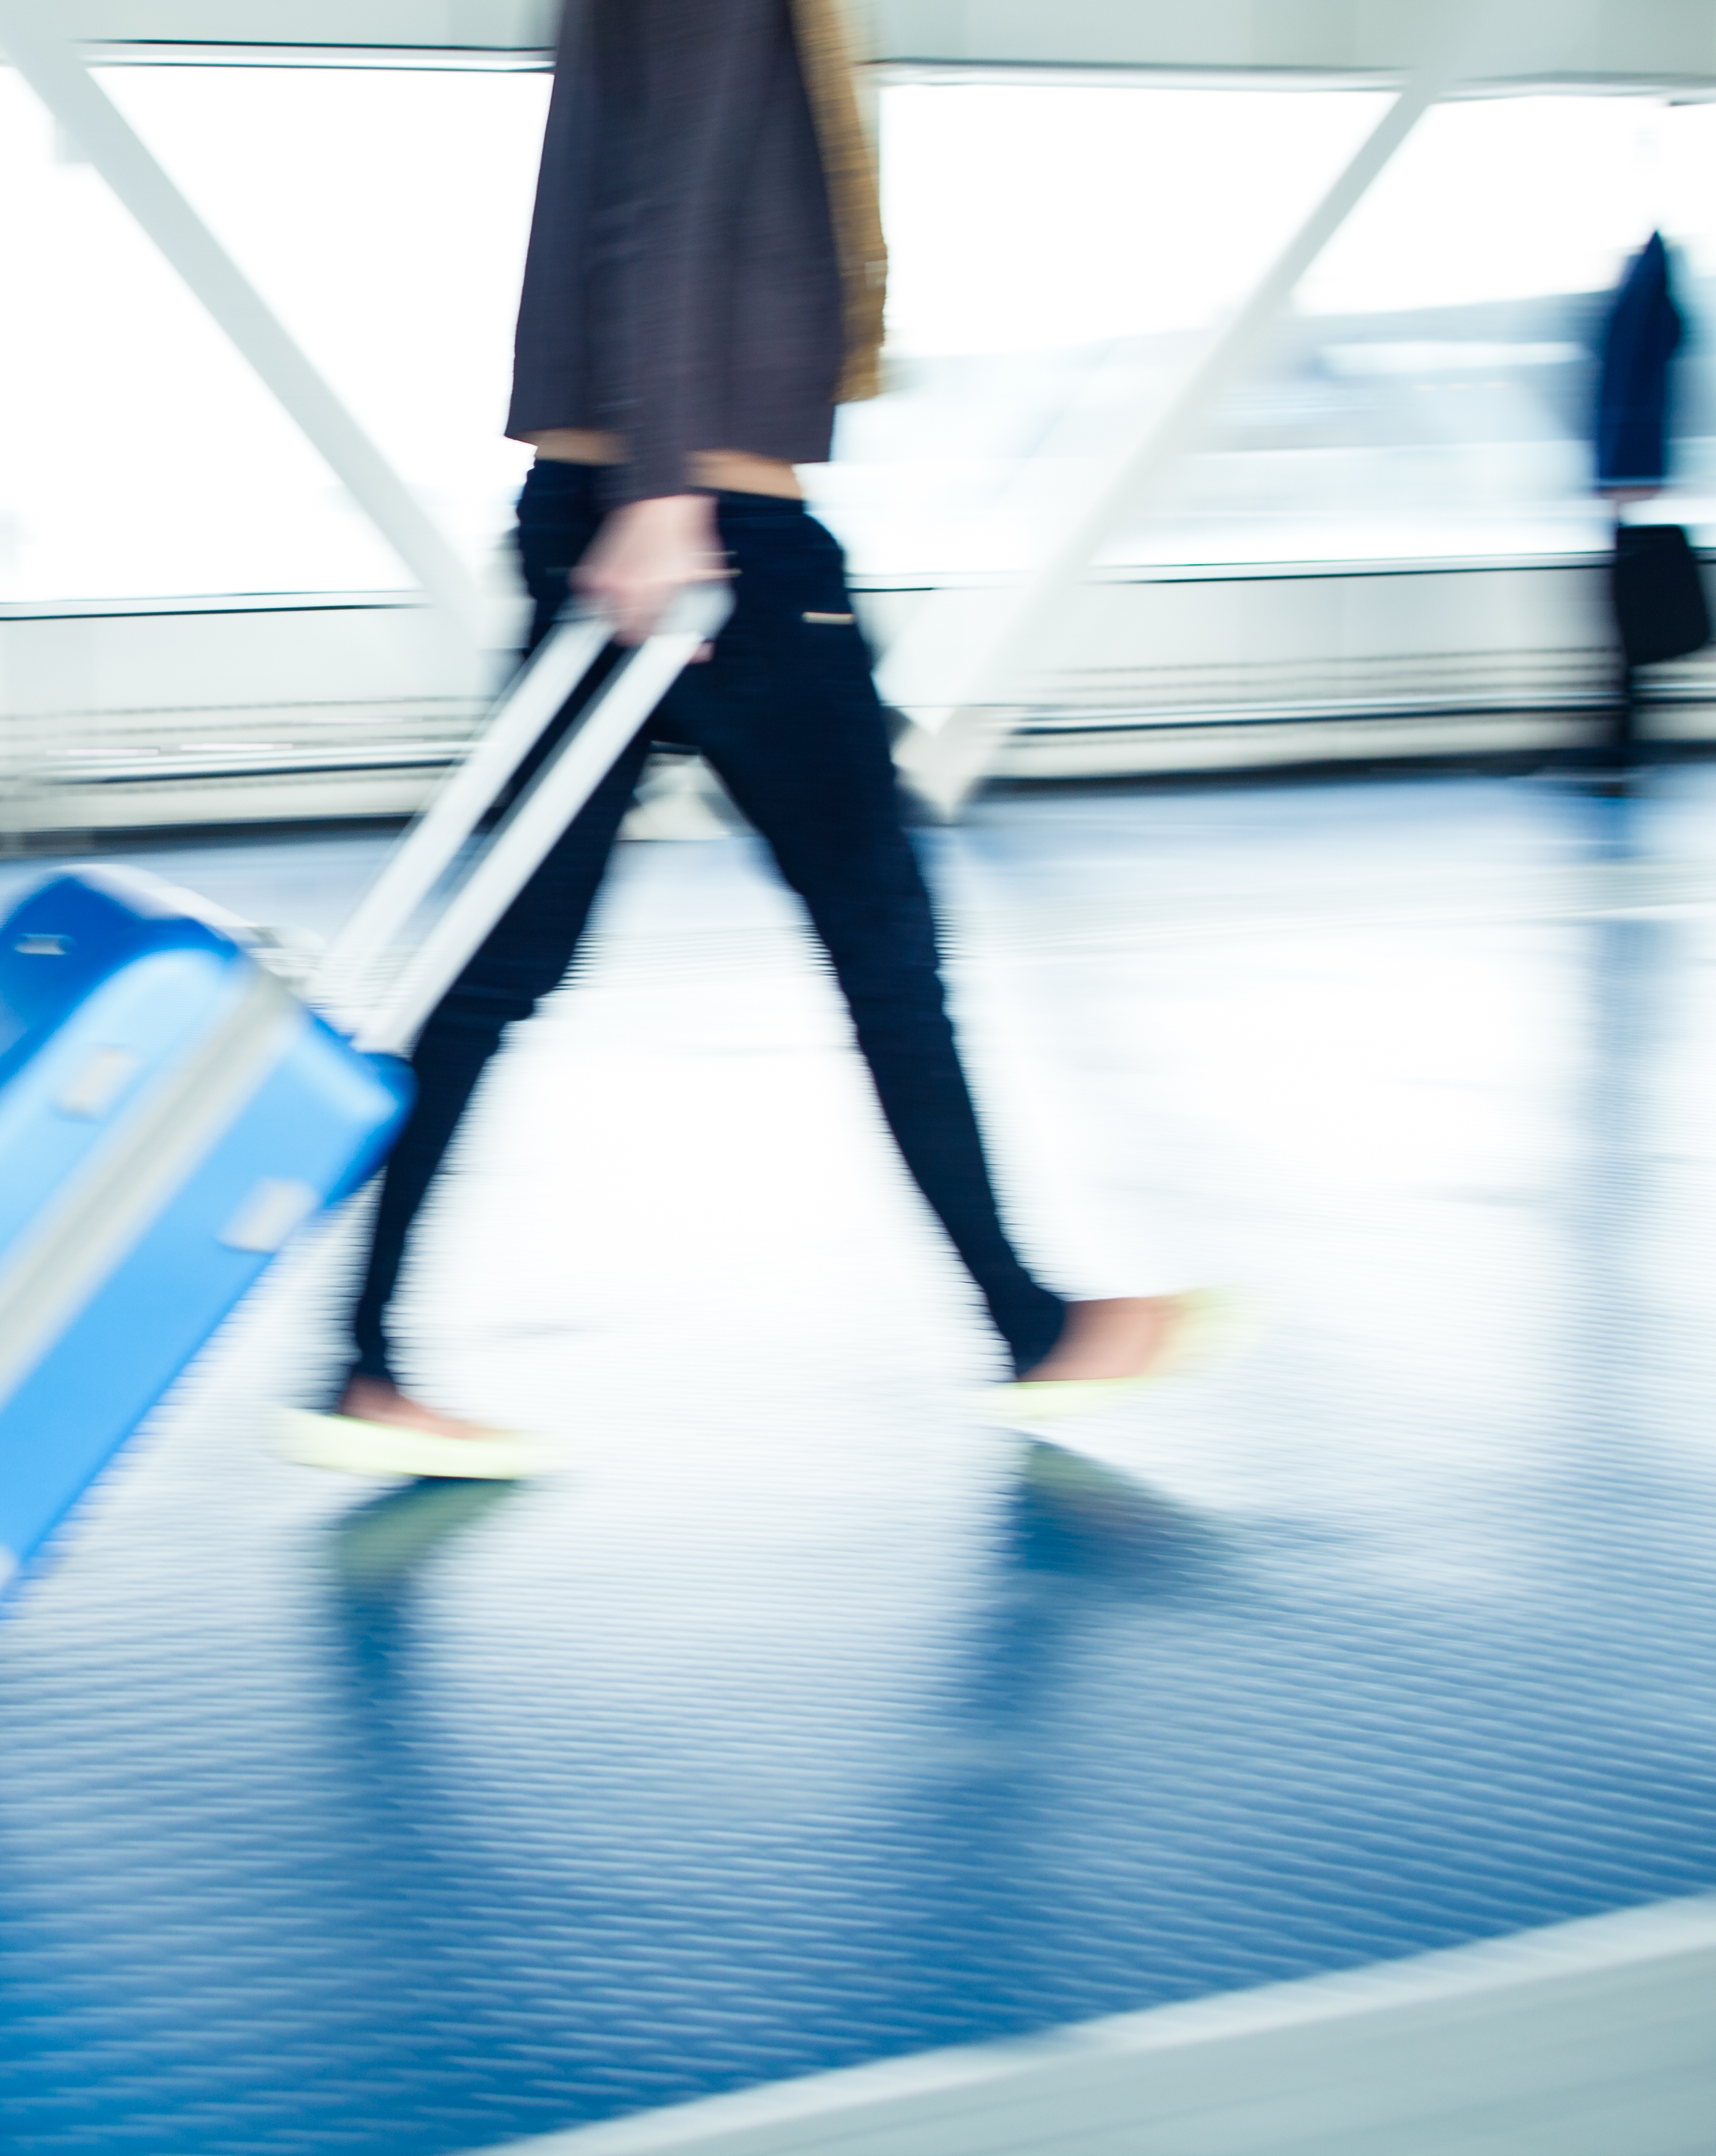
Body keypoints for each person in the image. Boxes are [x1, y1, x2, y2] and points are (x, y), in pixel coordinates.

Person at [281, 0, 1207, 1480]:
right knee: (882, 939)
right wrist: (665, 497)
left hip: (630, 506)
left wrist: (638, 492)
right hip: (713, 535)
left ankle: (364, 1362)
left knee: (502, 961)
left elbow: (642, 195)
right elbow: (665, 206)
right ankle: (1034, 1326)